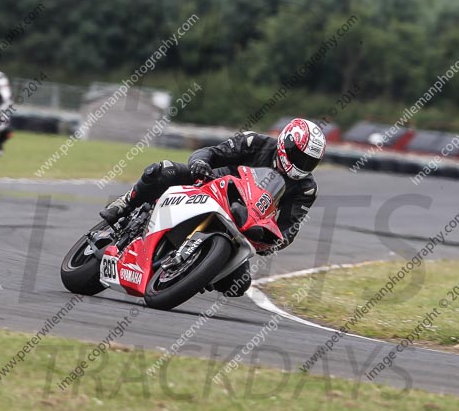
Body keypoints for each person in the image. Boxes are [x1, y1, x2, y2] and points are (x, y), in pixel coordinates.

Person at [99, 118, 326, 296]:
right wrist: (200, 164)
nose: (303, 165)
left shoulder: (305, 189)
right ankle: (126, 203)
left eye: (310, 162)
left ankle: (194, 270)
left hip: (243, 224)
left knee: (238, 285)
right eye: (299, 156)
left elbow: (289, 229)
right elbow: (212, 152)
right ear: (285, 143)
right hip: (209, 184)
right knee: (163, 170)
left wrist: (271, 241)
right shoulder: (254, 143)